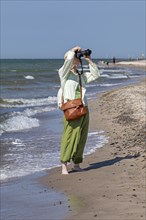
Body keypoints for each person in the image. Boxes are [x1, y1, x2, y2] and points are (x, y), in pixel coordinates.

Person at [57, 46, 100, 174]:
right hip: (71, 109)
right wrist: (72, 50)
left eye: (76, 59)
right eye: (74, 59)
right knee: (69, 136)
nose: (75, 60)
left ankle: (76, 163)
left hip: (83, 108)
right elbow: (69, 58)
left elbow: (96, 74)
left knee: (82, 136)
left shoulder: (80, 75)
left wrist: (89, 59)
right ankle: (64, 164)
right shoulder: (63, 74)